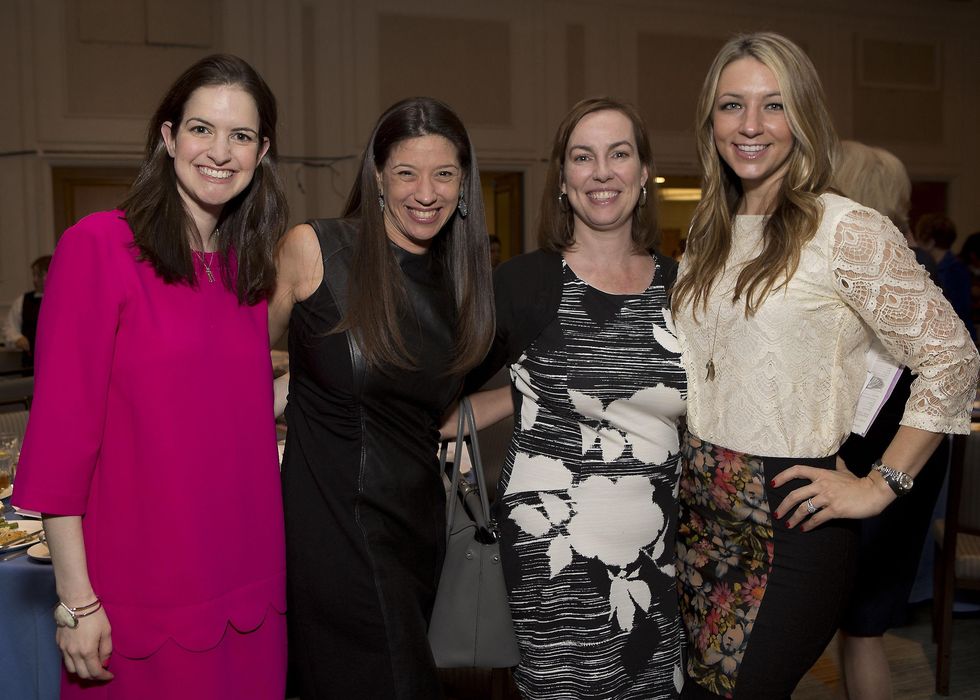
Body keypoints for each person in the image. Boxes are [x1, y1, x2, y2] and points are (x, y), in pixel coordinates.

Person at [671, 32, 979, 700]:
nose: (750, 125)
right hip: (697, 514)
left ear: (803, 118)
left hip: (791, 520)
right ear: (711, 120)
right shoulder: (707, 232)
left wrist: (881, 483)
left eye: (773, 105)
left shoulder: (845, 227)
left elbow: (952, 357)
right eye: (732, 106)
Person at [12, 54, 289, 698]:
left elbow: (229, 408)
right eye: (201, 129)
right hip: (143, 591)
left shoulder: (249, 269)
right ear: (167, 138)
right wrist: (76, 601)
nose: (220, 152)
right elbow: (60, 439)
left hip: (250, 578)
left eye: (241, 136)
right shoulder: (99, 247)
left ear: (262, 151)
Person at [268, 97, 494, 698]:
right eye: (406, 172)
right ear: (376, 176)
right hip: (332, 525)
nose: (426, 192)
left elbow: (449, 407)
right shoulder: (316, 250)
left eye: (444, 174)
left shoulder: (464, 284)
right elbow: (234, 360)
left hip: (419, 530)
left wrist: (521, 401)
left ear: (463, 182)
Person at [462, 97, 685, 698]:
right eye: (583, 158)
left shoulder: (684, 288)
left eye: (619, 154)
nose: (602, 171)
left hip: (661, 552)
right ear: (562, 180)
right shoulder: (524, 283)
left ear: (644, 174)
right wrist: (529, 391)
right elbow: (437, 395)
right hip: (552, 551)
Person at [832, 141, 952, 700]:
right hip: (914, 449)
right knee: (863, 627)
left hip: (877, 453)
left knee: (856, 623)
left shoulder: (875, 262)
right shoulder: (920, 261)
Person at [913, 213, 977, 340]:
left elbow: (960, 310)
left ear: (930, 242)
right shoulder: (949, 267)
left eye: (918, 239)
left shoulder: (955, 270)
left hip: (958, 336)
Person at [3, 254, 52, 373]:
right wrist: (17, 338)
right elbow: (9, 328)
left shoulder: (65, 300)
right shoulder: (23, 301)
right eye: (34, 275)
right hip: (31, 366)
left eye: (39, 275)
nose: (34, 280)